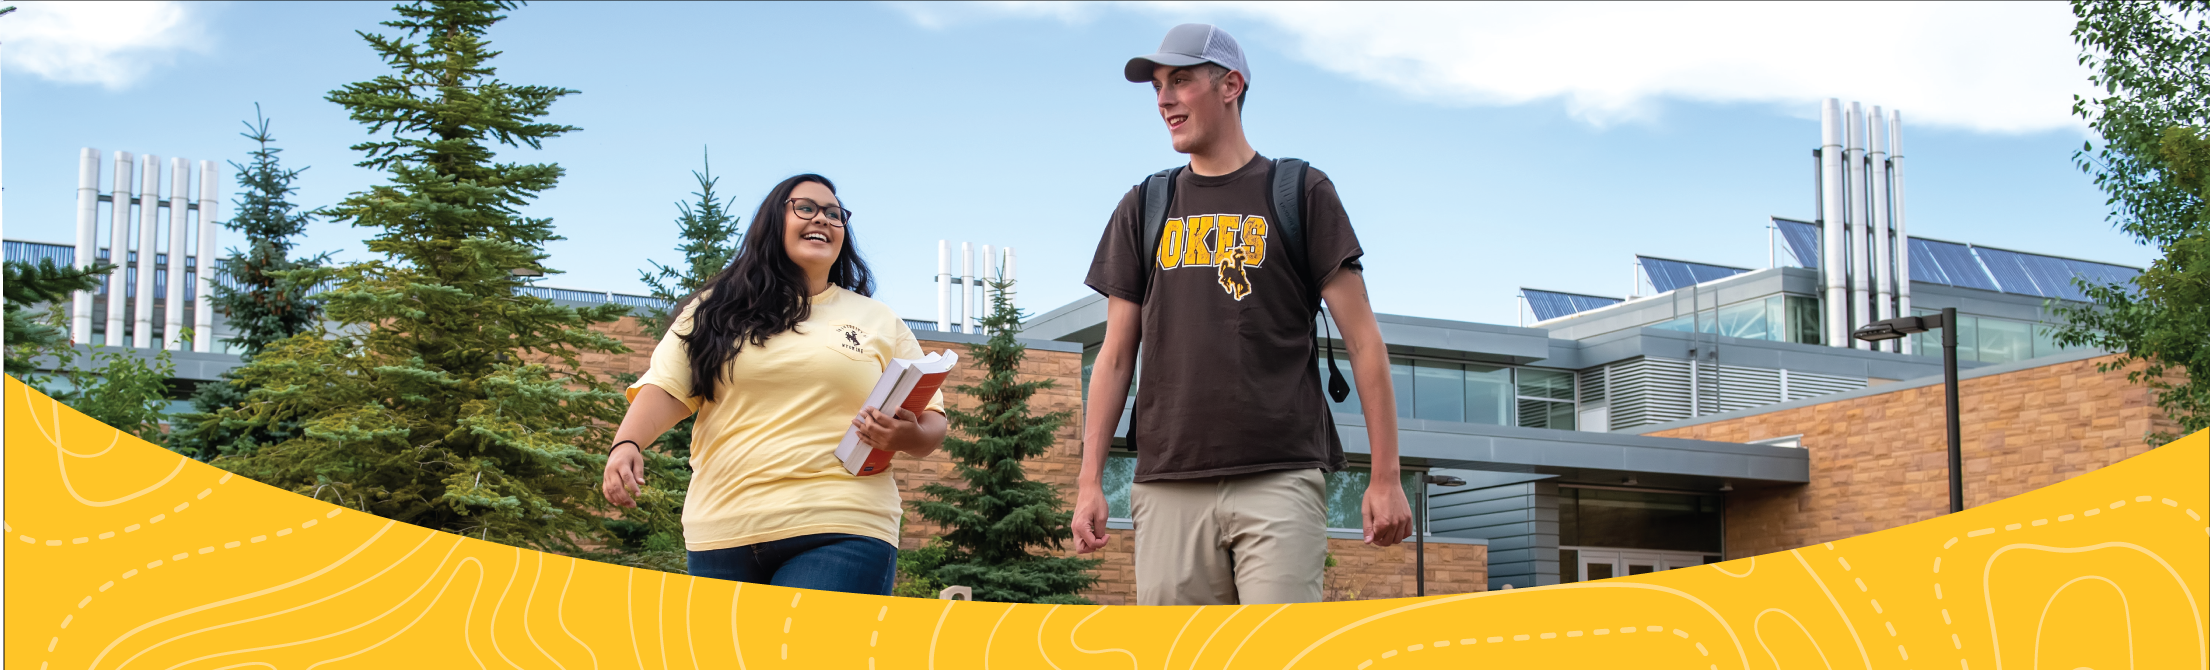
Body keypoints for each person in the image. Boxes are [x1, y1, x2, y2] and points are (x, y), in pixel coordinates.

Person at [1072, 23, 1414, 606]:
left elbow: (1364, 342)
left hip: (1279, 476)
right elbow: (1115, 356)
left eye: (1180, 81)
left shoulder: (1299, 191)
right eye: (1157, 86)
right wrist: (1089, 482)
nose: (1163, 99)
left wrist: (1386, 477)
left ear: (1230, 85)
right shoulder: (1144, 206)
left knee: (1275, 656)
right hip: (1168, 480)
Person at [602, 174, 947, 595]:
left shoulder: (878, 320)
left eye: (834, 214)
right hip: (721, 532)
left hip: (841, 522)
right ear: (772, 221)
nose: (823, 218)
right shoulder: (715, 309)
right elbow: (669, 386)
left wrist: (907, 434)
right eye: (806, 207)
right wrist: (627, 445)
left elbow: (932, 422)